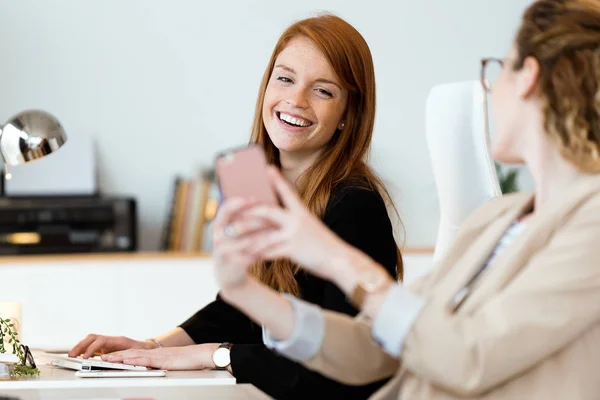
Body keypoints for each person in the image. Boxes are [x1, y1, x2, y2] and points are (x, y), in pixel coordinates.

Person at [207, 0, 600, 398]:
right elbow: (380, 350)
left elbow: (470, 357)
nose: (493, 89)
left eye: (499, 69)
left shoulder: (592, 226)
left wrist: (336, 259)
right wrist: (246, 292)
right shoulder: (497, 219)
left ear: (528, 78)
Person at [70, 14, 403, 400]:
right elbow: (244, 307)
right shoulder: (262, 184)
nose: (295, 100)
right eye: (285, 78)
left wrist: (217, 356)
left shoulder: (354, 204)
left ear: (348, 114)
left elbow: (341, 372)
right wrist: (155, 348)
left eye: (323, 91)